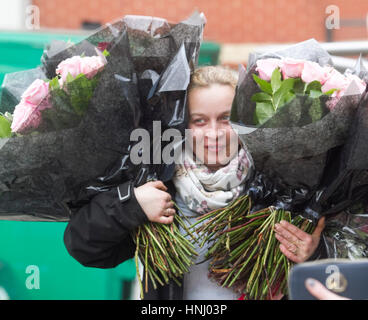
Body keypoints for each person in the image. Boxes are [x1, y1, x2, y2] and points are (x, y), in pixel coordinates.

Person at [63, 65, 325, 300]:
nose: (214, 133)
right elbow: (84, 246)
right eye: (199, 121)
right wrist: (132, 205)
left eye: (226, 118)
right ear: (182, 126)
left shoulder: (279, 189)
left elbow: (341, 276)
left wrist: (313, 255)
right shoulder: (157, 184)